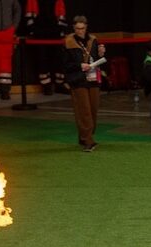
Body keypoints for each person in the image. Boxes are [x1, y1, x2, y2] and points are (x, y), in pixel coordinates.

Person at [62, 14, 105, 152]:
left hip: (93, 79)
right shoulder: (68, 42)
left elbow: (96, 59)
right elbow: (64, 64)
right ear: (73, 28)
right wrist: (79, 66)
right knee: (84, 110)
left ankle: (84, 137)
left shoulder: (93, 40)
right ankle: (88, 140)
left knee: (93, 110)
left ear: (86, 27)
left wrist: (101, 54)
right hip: (78, 79)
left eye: (82, 28)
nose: (80, 31)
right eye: (77, 28)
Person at [22, 0, 68, 96]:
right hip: (40, 34)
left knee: (59, 59)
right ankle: (46, 86)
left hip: (55, 33)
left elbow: (62, 14)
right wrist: (33, 30)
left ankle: (59, 85)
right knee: (42, 60)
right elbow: (29, 15)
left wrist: (60, 30)